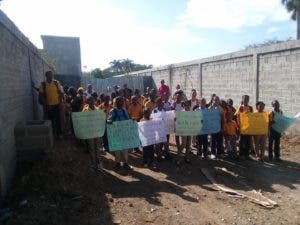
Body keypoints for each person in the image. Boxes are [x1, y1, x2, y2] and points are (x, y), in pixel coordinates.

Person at [107, 97, 132, 170]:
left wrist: (132, 120)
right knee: (117, 149)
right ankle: (117, 163)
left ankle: (125, 163)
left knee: (125, 149)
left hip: (124, 133)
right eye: (119, 102)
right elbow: (109, 120)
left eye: (122, 102)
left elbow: (127, 120)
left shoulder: (125, 110)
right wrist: (109, 122)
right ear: (116, 103)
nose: (121, 103)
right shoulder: (113, 111)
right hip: (116, 133)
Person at [38, 70, 63, 137]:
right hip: (48, 106)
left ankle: (59, 134)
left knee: (58, 120)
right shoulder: (43, 84)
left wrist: (60, 103)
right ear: (46, 76)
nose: (51, 76)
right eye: (49, 75)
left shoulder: (56, 83)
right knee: (50, 121)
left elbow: (60, 94)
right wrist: (46, 104)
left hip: (57, 105)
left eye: (51, 75)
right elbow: (41, 96)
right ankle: (51, 134)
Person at [82, 96, 103, 172]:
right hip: (89, 132)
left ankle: (99, 163)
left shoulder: (98, 109)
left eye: (92, 100)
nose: (91, 102)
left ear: (94, 101)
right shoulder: (85, 110)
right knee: (91, 148)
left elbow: (100, 119)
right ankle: (93, 164)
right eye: (89, 101)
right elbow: (83, 121)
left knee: (97, 148)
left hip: (97, 132)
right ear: (87, 102)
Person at [236, 95, 253, 159]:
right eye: (245, 99)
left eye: (247, 99)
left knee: (248, 141)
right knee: (242, 141)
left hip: (248, 127)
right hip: (242, 127)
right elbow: (238, 117)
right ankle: (241, 154)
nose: (246, 100)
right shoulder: (240, 107)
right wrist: (239, 126)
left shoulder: (250, 108)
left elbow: (252, 117)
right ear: (242, 99)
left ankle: (247, 154)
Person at [176, 100, 192, 166]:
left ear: (190, 106)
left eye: (188, 105)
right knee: (183, 144)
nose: (187, 106)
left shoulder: (191, 113)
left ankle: (187, 157)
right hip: (183, 130)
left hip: (190, 130)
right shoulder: (181, 112)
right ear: (184, 105)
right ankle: (178, 158)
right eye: (186, 105)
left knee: (188, 144)